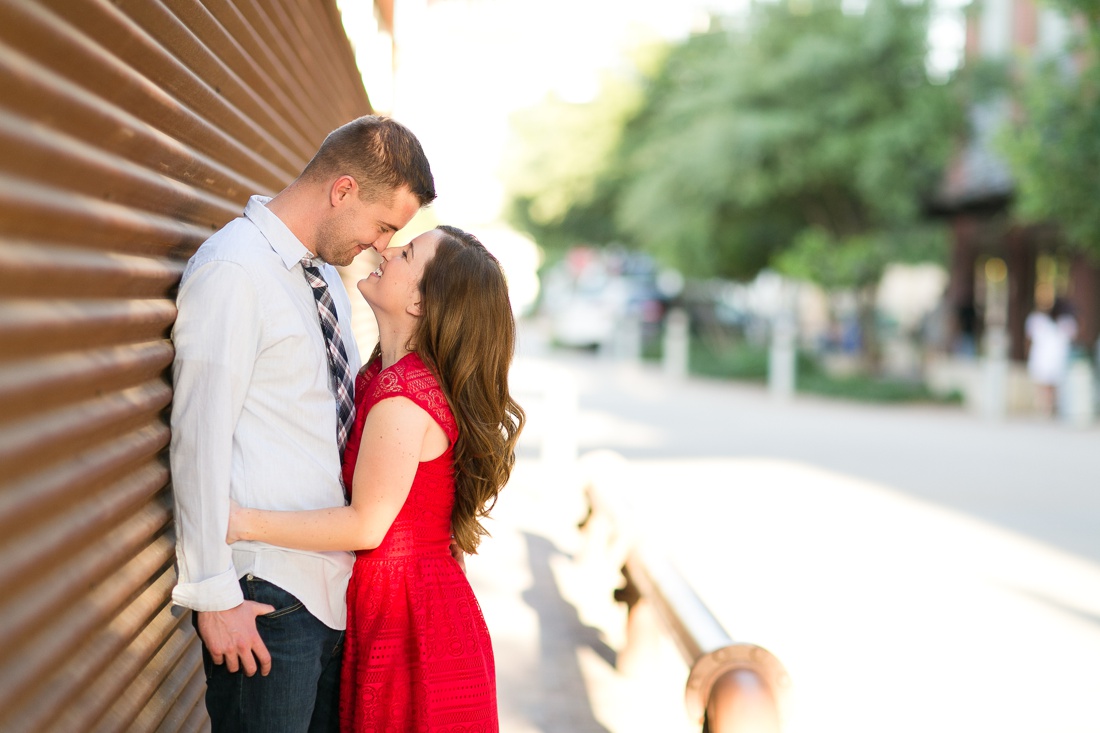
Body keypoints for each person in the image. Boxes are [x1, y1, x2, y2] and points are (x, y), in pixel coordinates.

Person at [170, 115, 436, 732]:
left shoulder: (325, 282)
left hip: (324, 595)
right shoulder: (235, 269)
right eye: (383, 225)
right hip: (263, 598)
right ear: (342, 191)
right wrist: (214, 598)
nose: (380, 244)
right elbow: (197, 437)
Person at [226, 225, 525, 731]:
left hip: (411, 616)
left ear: (420, 304)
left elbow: (367, 526)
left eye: (406, 253)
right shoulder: (383, 375)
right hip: (406, 601)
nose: (386, 250)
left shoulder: (405, 394)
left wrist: (238, 521)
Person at [1025, 296, 1078, 416]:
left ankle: (1046, 408)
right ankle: (1049, 407)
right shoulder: (1064, 323)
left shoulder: (1041, 322)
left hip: (1045, 358)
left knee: (1044, 385)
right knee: (1050, 385)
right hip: (1053, 359)